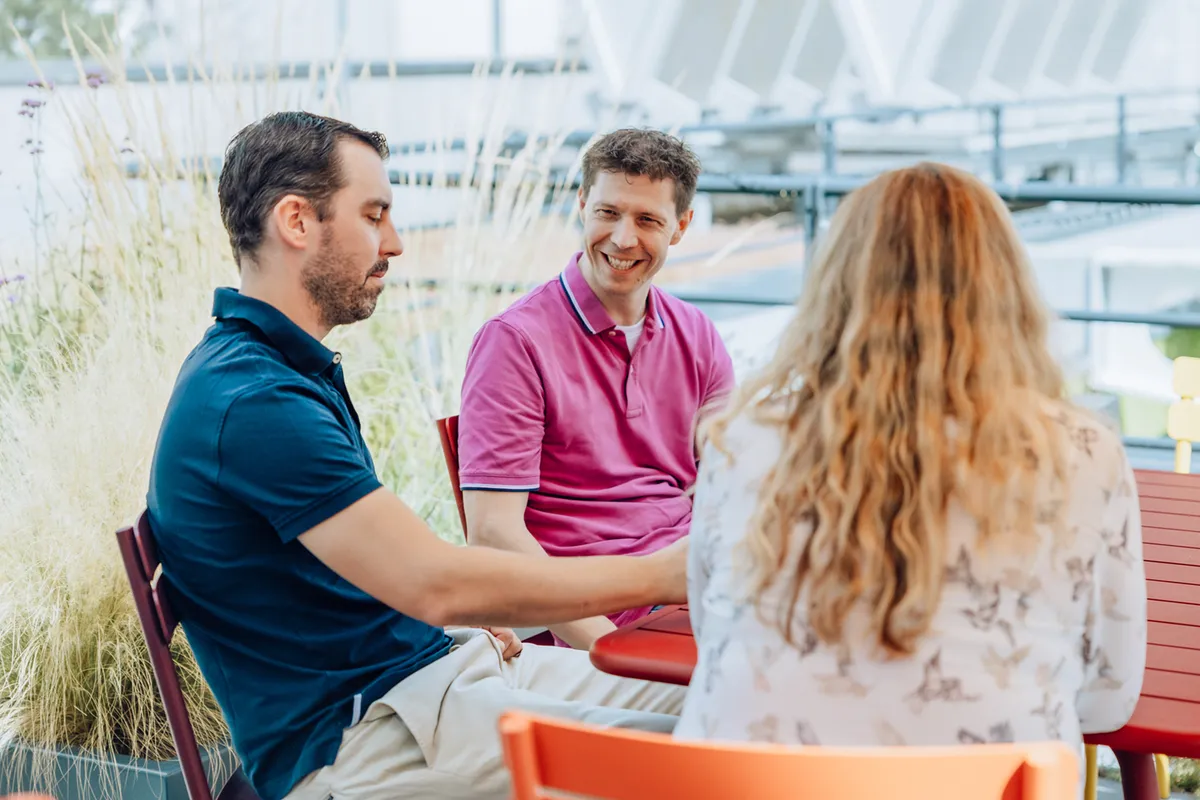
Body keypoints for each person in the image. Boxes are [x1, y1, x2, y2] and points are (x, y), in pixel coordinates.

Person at [145, 111, 689, 800]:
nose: (396, 243)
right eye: (374, 215)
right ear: (297, 221)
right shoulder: (253, 403)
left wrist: (444, 611)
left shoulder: (283, 372)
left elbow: (394, 574)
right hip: (364, 739)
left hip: (435, 680)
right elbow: (437, 583)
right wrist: (665, 577)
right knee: (713, 764)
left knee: (742, 705)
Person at [674, 163, 1146, 783]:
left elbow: (714, 639)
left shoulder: (743, 438)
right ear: (1004, 289)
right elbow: (1108, 697)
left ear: (837, 286)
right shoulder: (1083, 454)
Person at [456, 128, 735, 650]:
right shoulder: (514, 342)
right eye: (608, 212)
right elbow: (493, 533)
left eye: (648, 219)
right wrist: (608, 650)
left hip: (696, 597)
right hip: (590, 620)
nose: (623, 239)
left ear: (681, 227)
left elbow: (730, 482)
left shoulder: (697, 333)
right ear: (582, 205)